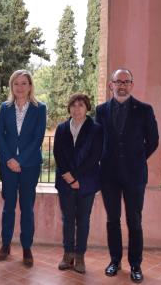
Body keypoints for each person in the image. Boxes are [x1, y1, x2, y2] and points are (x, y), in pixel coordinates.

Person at [96, 69, 158, 284]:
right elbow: (98, 140)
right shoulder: (101, 110)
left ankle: (136, 264)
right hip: (109, 176)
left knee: (134, 221)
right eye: (117, 81)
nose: (121, 85)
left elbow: (153, 141)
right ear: (110, 85)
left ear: (131, 85)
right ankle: (115, 261)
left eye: (126, 81)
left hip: (134, 175)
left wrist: (137, 158)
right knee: (113, 220)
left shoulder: (144, 110)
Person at [0, 69, 46, 265]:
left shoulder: (39, 108)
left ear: (30, 86)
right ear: (11, 86)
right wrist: (9, 159)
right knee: (8, 207)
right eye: (16, 83)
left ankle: (26, 247)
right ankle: (5, 244)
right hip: (7, 166)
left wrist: (20, 161)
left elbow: (38, 138)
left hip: (30, 166)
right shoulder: (5, 107)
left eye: (24, 83)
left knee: (27, 207)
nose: (20, 87)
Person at [54, 93, 103, 274]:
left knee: (83, 220)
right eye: (73, 105)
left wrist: (76, 178)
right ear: (69, 108)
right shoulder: (61, 128)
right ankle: (68, 254)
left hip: (86, 183)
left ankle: (80, 255)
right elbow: (58, 153)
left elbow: (94, 156)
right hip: (65, 181)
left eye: (81, 105)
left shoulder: (96, 129)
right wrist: (68, 176)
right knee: (67, 219)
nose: (77, 109)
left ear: (87, 108)